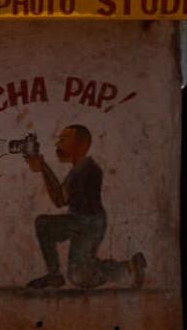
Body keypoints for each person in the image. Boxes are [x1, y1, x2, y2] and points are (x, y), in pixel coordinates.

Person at [22, 123, 145, 290]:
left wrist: (44, 168)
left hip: (90, 225)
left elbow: (60, 199)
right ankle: (54, 275)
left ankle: (129, 266)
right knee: (43, 223)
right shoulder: (77, 170)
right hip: (77, 221)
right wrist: (43, 168)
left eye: (64, 140)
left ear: (81, 145)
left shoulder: (89, 170)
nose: (58, 144)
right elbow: (60, 199)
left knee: (80, 277)